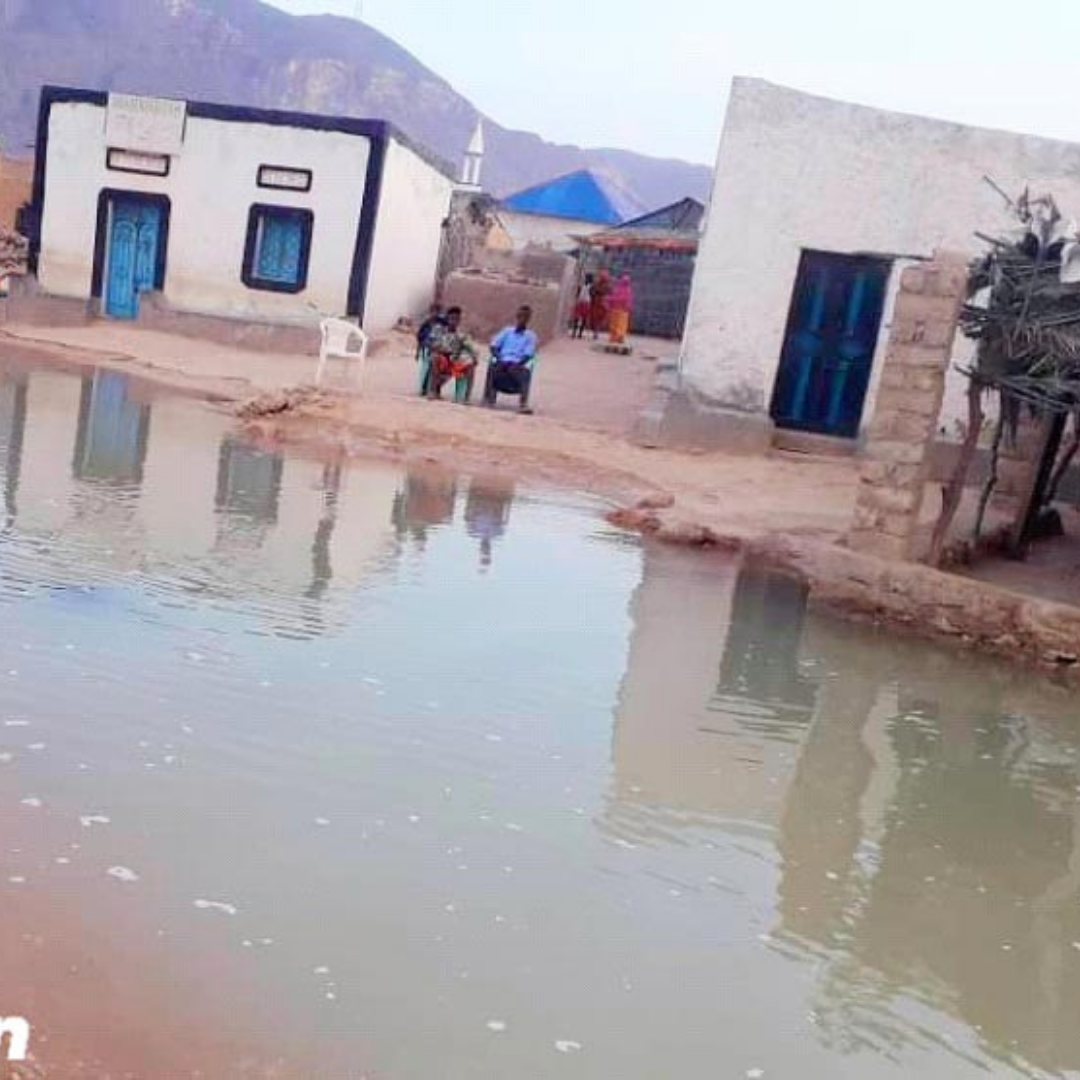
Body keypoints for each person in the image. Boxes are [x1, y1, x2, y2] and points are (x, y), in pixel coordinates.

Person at [485, 306, 538, 414]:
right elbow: (493, 346)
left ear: (528, 319)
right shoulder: (507, 331)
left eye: (525, 317)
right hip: (502, 360)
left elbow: (528, 354)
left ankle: (523, 404)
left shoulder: (531, 336)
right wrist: (500, 358)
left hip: (518, 363)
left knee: (524, 373)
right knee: (493, 367)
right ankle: (489, 399)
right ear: (516, 316)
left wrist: (517, 364)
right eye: (520, 316)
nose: (522, 319)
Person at [427, 306, 478, 401]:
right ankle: (432, 391)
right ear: (447, 318)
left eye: (456, 319)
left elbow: (470, 347)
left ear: (459, 321)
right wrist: (437, 349)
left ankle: (466, 397)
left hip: (455, 361)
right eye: (452, 319)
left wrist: (474, 357)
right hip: (442, 359)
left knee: (470, 364)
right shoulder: (439, 330)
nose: (454, 322)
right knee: (435, 358)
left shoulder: (462, 334)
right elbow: (430, 343)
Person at [608, 273, 634, 347]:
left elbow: (626, 300)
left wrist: (611, 300)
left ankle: (618, 337)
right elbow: (614, 298)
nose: (625, 283)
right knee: (616, 324)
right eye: (624, 281)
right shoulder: (619, 289)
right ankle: (615, 337)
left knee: (620, 325)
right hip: (618, 310)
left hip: (621, 310)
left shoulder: (625, 290)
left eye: (626, 281)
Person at [589, 270, 611, 340]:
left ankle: (596, 332)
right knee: (596, 318)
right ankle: (596, 332)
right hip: (598, 303)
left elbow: (609, 292)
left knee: (599, 318)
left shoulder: (605, 285)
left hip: (600, 303)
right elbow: (591, 291)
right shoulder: (597, 284)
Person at [570, 274, 593, 339]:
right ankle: (574, 332)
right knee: (576, 317)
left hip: (586, 303)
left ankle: (580, 333)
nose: (585, 279)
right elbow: (577, 294)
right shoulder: (581, 285)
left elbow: (592, 295)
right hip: (581, 302)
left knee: (584, 318)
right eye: (585, 278)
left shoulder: (591, 287)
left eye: (586, 278)